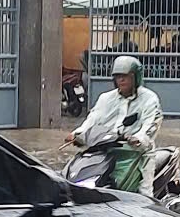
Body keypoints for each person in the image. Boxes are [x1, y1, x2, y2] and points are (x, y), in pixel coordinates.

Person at [69, 54, 163, 193]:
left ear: (136, 77)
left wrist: (138, 138)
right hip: (107, 151)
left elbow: (150, 125)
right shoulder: (106, 98)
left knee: (145, 195)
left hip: (137, 153)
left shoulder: (149, 99)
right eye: (118, 76)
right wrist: (77, 134)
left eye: (126, 76)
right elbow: (92, 119)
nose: (121, 79)